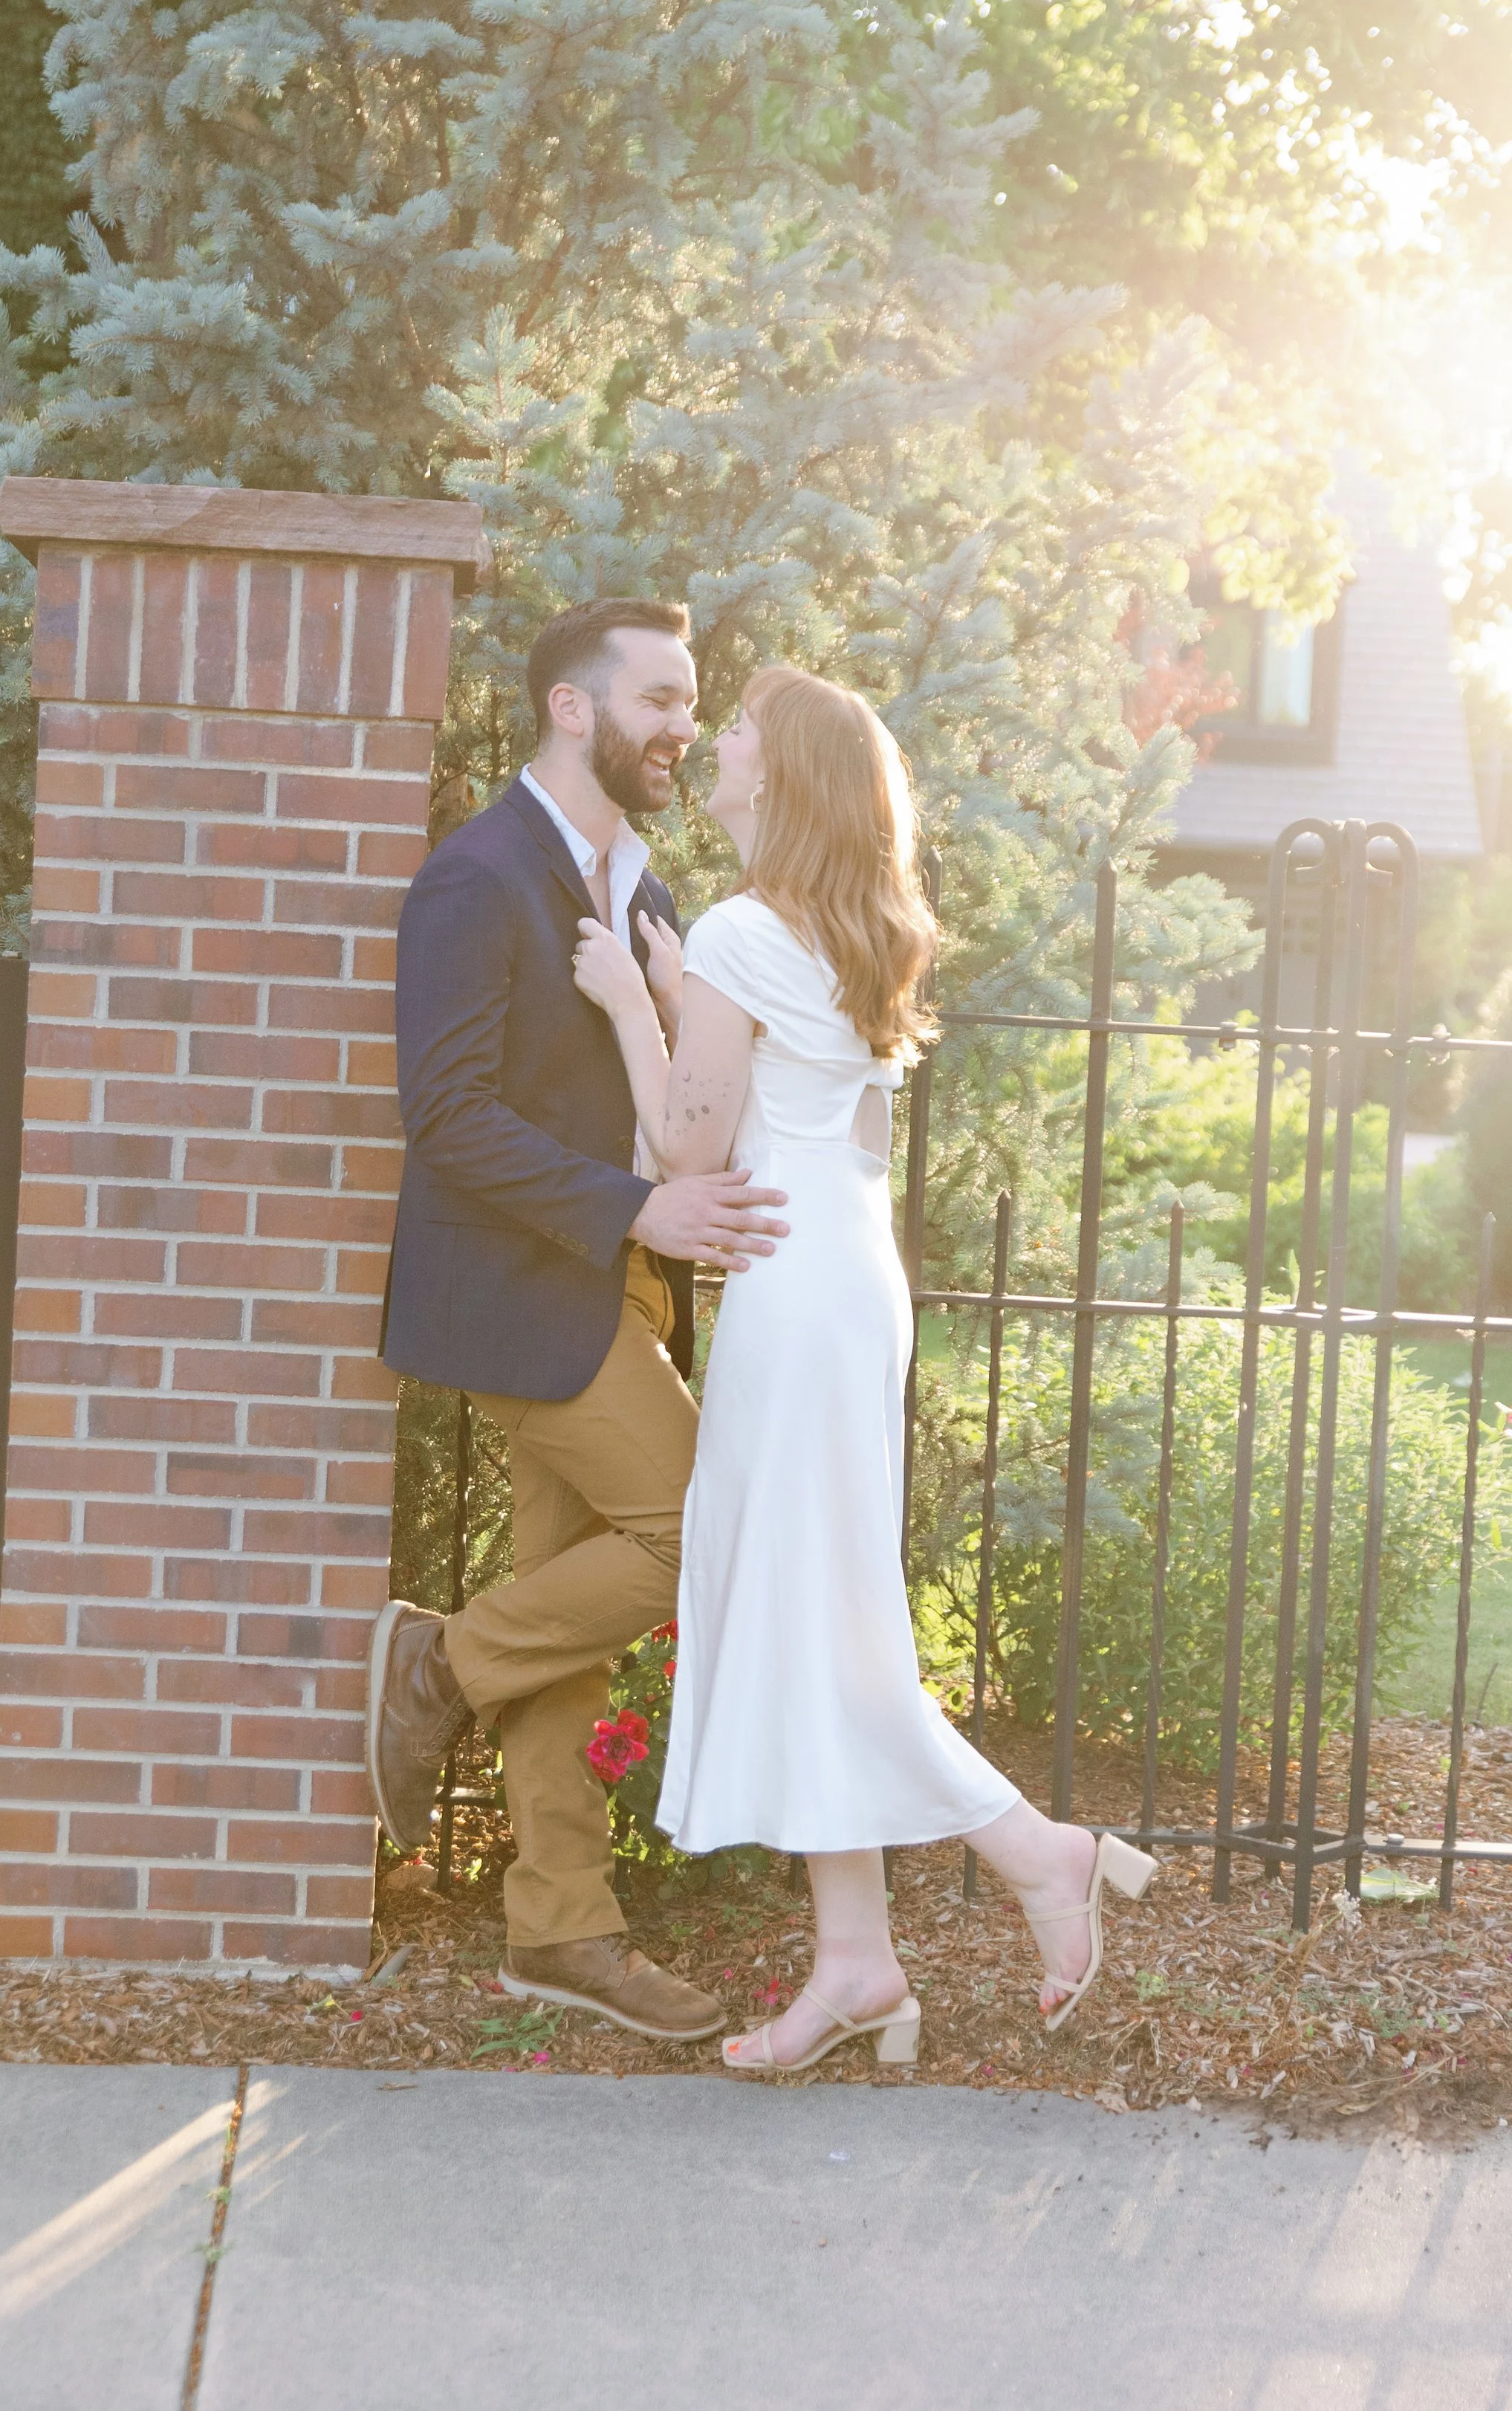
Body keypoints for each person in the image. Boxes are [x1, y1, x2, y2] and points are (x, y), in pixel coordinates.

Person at [571, 664, 1157, 2073]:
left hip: (792, 1282)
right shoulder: (846, 933)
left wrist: (631, 1004)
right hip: (845, 1265)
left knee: (814, 1616)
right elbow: (839, 1134)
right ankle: (858, 1966)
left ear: (783, 779)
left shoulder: (736, 929)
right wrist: (684, 985)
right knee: (807, 1608)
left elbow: (686, 1155)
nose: (715, 748)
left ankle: (1040, 1852)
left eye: (742, 736)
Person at [369, 598, 791, 2042]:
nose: (682, 724)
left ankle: (557, 1929)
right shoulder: (477, 881)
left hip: (616, 1293)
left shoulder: (640, 884)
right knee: (703, 1527)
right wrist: (629, 1211)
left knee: (570, 1626)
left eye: (691, 703)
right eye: (661, 698)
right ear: (571, 706)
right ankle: (433, 1665)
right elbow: (448, 1118)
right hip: (520, 1296)